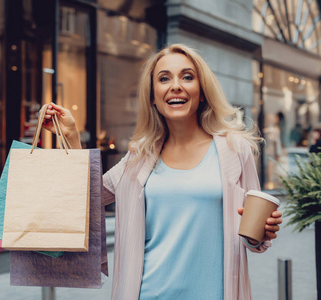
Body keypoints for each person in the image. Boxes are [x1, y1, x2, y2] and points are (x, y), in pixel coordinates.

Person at [43, 44, 283, 300]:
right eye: (164, 78)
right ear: (152, 97)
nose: (176, 86)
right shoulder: (139, 156)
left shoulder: (236, 150)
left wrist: (261, 233)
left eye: (187, 77)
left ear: (202, 92)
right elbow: (88, 199)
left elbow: (253, 236)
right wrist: (71, 137)